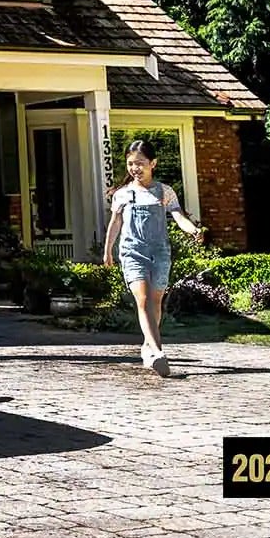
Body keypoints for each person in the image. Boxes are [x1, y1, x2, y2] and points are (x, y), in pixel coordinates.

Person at [103, 140, 203, 377]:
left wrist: (193, 230)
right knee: (143, 299)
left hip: (159, 252)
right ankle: (158, 352)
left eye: (140, 163)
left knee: (156, 302)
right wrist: (107, 251)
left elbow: (178, 216)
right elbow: (115, 223)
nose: (135, 168)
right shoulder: (123, 194)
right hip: (133, 251)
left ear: (153, 164)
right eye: (130, 164)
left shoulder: (164, 191)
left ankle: (148, 346)